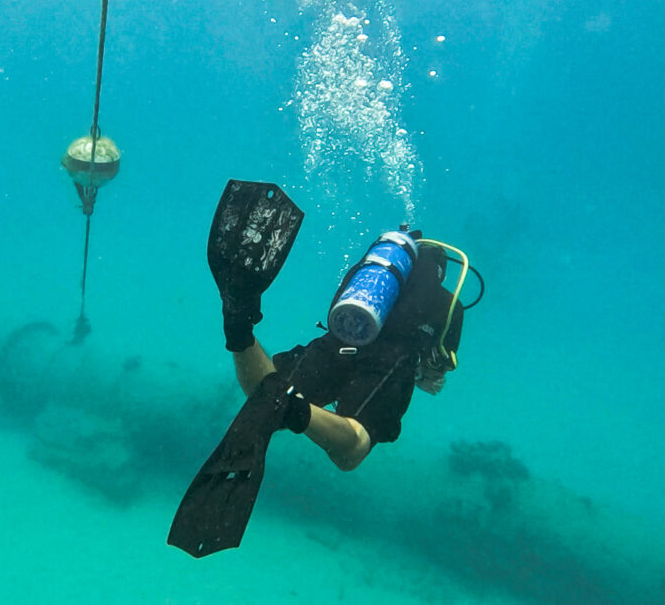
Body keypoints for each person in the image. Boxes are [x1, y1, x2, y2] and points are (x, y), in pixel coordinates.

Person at [169, 179, 471, 558]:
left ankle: (240, 329)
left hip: (344, 335)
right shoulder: (449, 304)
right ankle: (295, 409)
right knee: (352, 449)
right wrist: (427, 373)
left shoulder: (373, 271)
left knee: (265, 391)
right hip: (391, 358)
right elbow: (437, 366)